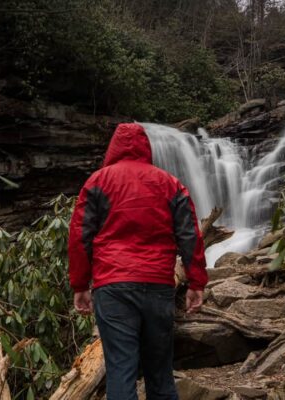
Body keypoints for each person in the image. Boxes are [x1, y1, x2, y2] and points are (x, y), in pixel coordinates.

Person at [68, 122, 208, 400]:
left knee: (121, 371)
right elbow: (189, 235)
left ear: (114, 148)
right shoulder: (170, 183)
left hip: (113, 286)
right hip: (158, 285)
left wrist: (80, 284)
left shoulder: (97, 181)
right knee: (160, 373)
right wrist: (196, 282)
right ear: (147, 147)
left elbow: (79, 236)